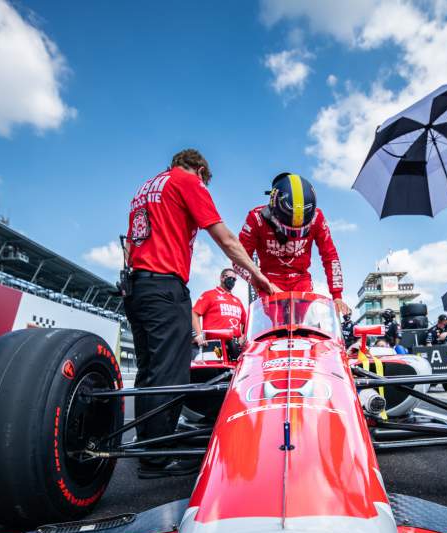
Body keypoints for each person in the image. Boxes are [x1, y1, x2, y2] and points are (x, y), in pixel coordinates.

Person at [125, 149, 277, 479]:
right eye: (205, 179)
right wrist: (257, 275)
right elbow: (224, 236)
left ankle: (147, 449)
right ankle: (158, 458)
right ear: (201, 170)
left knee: (149, 371)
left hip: (136, 286)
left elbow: (131, 244)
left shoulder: (146, 187)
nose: (204, 183)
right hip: (164, 286)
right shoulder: (187, 182)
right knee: (171, 373)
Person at [237, 172, 351, 317]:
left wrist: (337, 296)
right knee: (274, 331)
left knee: (302, 329)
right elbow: (238, 260)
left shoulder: (317, 217)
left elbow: (330, 256)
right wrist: (258, 279)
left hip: (301, 281)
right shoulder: (256, 218)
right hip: (268, 282)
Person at [192, 268, 247, 360]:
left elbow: (246, 321)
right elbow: (194, 313)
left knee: (237, 372)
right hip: (215, 345)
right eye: (230, 278)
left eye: (234, 279)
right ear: (222, 278)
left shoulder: (237, 301)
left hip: (235, 347)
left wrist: (243, 336)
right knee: (217, 371)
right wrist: (198, 334)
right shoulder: (209, 295)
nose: (232, 281)